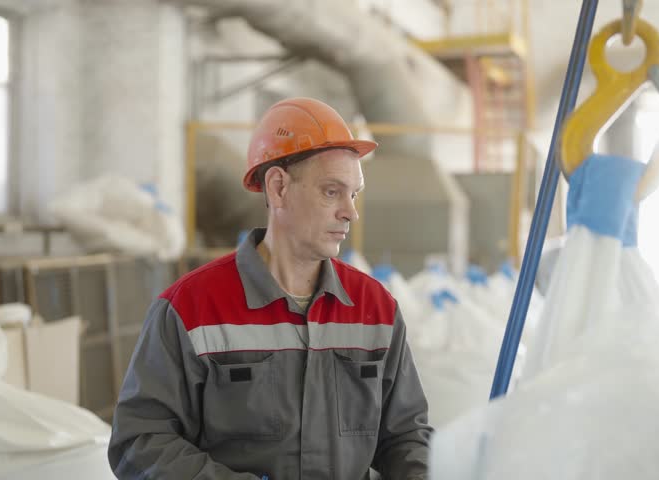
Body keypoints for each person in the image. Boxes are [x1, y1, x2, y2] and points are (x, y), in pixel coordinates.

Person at [108, 97, 432, 479]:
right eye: (332, 191)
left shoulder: (375, 308)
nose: (350, 211)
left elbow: (407, 436)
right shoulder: (190, 309)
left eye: (353, 194)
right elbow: (141, 440)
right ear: (278, 188)